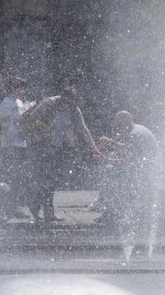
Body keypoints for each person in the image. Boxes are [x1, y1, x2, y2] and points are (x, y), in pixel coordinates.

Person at [24, 85, 107, 226]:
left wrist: (96, 150)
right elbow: (31, 120)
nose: (68, 109)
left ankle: (48, 211)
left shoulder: (74, 108)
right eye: (67, 106)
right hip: (39, 146)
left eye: (71, 106)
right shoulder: (48, 104)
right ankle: (37, 208)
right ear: (62, 101)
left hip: (55, 147)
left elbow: (84, 130)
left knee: (51, 180)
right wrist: (46, 127)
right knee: (42, 179)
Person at [97, 110, 159, 238]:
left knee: (110, 175)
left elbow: (127, 160)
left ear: (126, 123)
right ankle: (111, 209)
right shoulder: (137, 129)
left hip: (145, 170)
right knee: (109, 170)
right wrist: (110, 142)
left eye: (119, 125)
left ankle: (111, 212)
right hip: (146, 166)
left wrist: (107, 159)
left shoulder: (134, 134)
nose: (118, 129)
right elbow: (129, 150)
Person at [0, 76, 35, 219]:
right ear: (13, 89)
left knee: (20, 178)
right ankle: (11, 208)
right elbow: (5, 127)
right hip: (12, 145)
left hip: (21, 144)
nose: (23, 91)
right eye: (21, 88)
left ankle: (17, 206)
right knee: (13, 178)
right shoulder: (6, 103)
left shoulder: (19, 102)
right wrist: (9, 148)